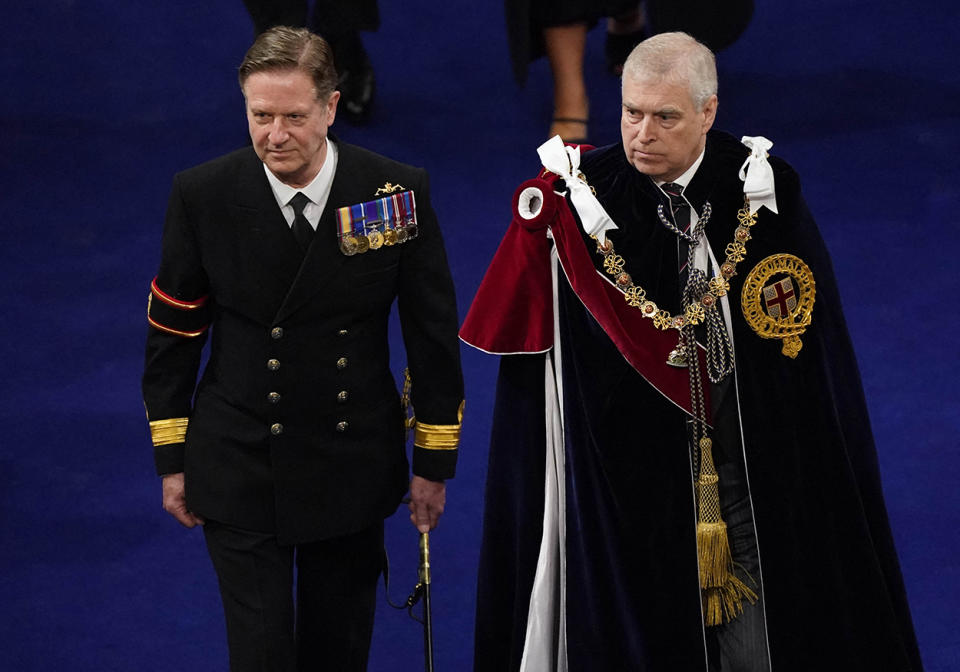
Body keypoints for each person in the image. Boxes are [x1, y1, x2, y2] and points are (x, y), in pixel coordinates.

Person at [462, 32, 922, 671]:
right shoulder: (578, 202)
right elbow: (540, 376)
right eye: (631, 112)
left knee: (759, 648)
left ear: (708, 113)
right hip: (624, 491)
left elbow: (805, 359)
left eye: (665, 117)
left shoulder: (760, 192)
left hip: (745, 475)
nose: (642, 133)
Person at [142, 26, 464, 671]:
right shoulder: (202, 195)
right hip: (237, 457)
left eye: (293, 116)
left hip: (349, 461)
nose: (275, 136)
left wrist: (433, 463)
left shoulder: (393, 195)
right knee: (259, 654)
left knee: (337, 652)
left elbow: (431, 337)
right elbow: (174, 335)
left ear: (331, 107)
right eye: (261, 117)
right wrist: (172, 459)